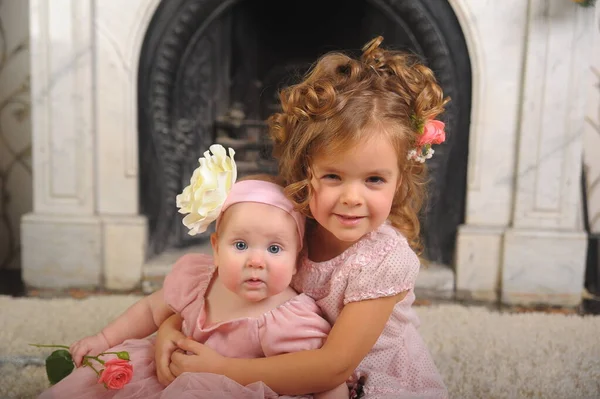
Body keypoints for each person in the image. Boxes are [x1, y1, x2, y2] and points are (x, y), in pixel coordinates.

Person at [155, 36, 450, 399]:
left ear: (400, 180)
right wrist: (173, 327)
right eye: (332, 176)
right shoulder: (292, 219)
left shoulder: (385, 262)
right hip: (288, 354)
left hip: (356, 377)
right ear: (305, 172)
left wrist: (223, 369)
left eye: (374, 179)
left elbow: (334, 367)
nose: (352, 198)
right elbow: (229, 284)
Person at [37, 165, 348, 398]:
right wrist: (104, 340)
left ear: (297, 260)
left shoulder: (289, 317)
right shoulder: (198, 280)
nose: (256, 260)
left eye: (275, 248)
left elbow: (322, 377)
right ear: (215, 249)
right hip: (167, 375)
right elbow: (149, 310)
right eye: (240, 245)